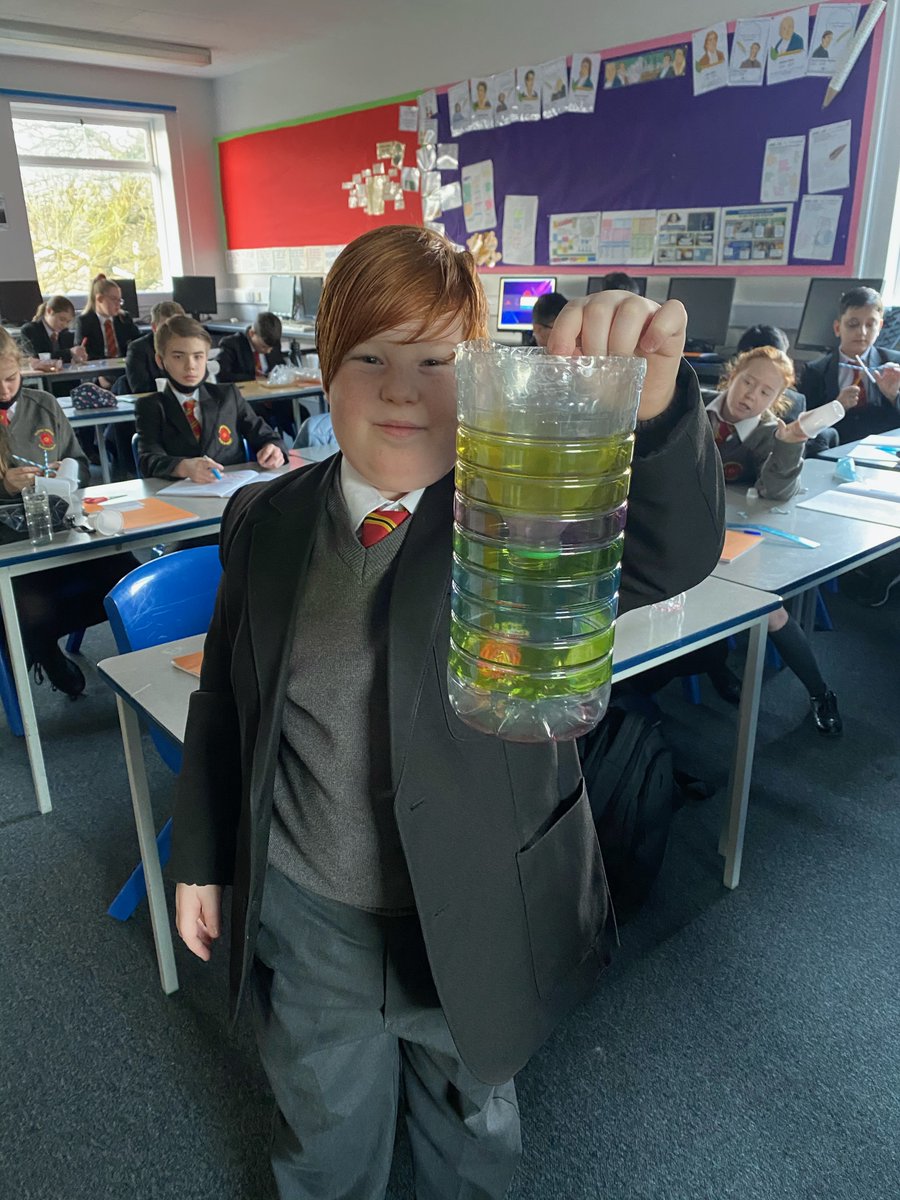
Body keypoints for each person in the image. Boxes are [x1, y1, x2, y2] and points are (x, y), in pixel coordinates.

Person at [169, 224, 724, 1199]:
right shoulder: (265, 519)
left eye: (434, 360)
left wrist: (655, 413)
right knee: (323, 1141)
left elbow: (664, 557)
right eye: (368, 355)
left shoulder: (518, 507)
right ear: (327, 368)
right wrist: (204, 857)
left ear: (475, 375)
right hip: (310, 920)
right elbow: (225, 700)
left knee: (468, 1143)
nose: (398, 388)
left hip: (468, 916)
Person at [706, 346, 842, 734]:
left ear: (775, 399)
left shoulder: (768, 432)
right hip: (684, 529)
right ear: (731, 376)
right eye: (747, 381)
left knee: (771, 610)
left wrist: (791, 441)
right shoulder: (694, 409)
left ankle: (820, 692)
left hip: (734, 538)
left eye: (765, 391)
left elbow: (775, 492)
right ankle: (713, 667)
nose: (751, 394)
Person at [0, 330, 135, 697]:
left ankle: (142, 671)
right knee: (31, 610)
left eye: (10, 378)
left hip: (62, 528)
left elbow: (81, 461)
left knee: (129, 579)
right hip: (9, 546)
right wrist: (5, 486)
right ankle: (45, 651)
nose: (4, 389)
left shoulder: (42, 405)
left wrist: (67, 473)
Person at [134, 314, 286, 481]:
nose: (190, 366)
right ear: (160, 360)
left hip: (232, 491)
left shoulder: (227, 396)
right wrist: (183, 467)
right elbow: (148, 459)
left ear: (206, 358)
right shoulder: (151, 407)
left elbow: (266, 435)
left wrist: (273, 448)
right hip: (179, 496)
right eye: (178, 357)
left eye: (198, 356)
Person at [802, 286, 900, 443]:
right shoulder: (816, 371)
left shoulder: (894, 365)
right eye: (853, 324)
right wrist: (836, 407)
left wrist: (895, 397)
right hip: (834, 451)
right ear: (837, 328)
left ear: (880, 327)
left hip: (884, 453)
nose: (862, 332)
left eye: (870, 325)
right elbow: (804, 426)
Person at [74, 274, 140, 362]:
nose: (118, 304)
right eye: (114, 299)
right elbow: (85, 353)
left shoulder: (124, 318)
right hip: (99, 368)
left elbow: (138, 341)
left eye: (119, 300)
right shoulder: (84, 322)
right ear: (99, 299)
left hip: (123, 365)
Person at [124, 300, 185, 394]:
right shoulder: (138, 348)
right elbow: (140, 388)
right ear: (154, 327)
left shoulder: (189, 346)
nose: (172, 332)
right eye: (165, 327)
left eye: (177, 326)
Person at [216, 312, 288, 383]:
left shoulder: (273, 342)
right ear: (252, 333)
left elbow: (280, 366)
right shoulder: (231, 344)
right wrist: (254, 379)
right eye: (264, 347)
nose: (268, 351)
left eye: (271, 348)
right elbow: (222, 375)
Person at [20, 296, 88, 367]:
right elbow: (38, 358)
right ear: (49, 311)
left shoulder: (65, 333)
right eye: (61, 319)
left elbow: (66, 360)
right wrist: (69, 353)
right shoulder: (31, 330)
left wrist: (76, 357)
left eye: (68, 321)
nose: (64, 325)